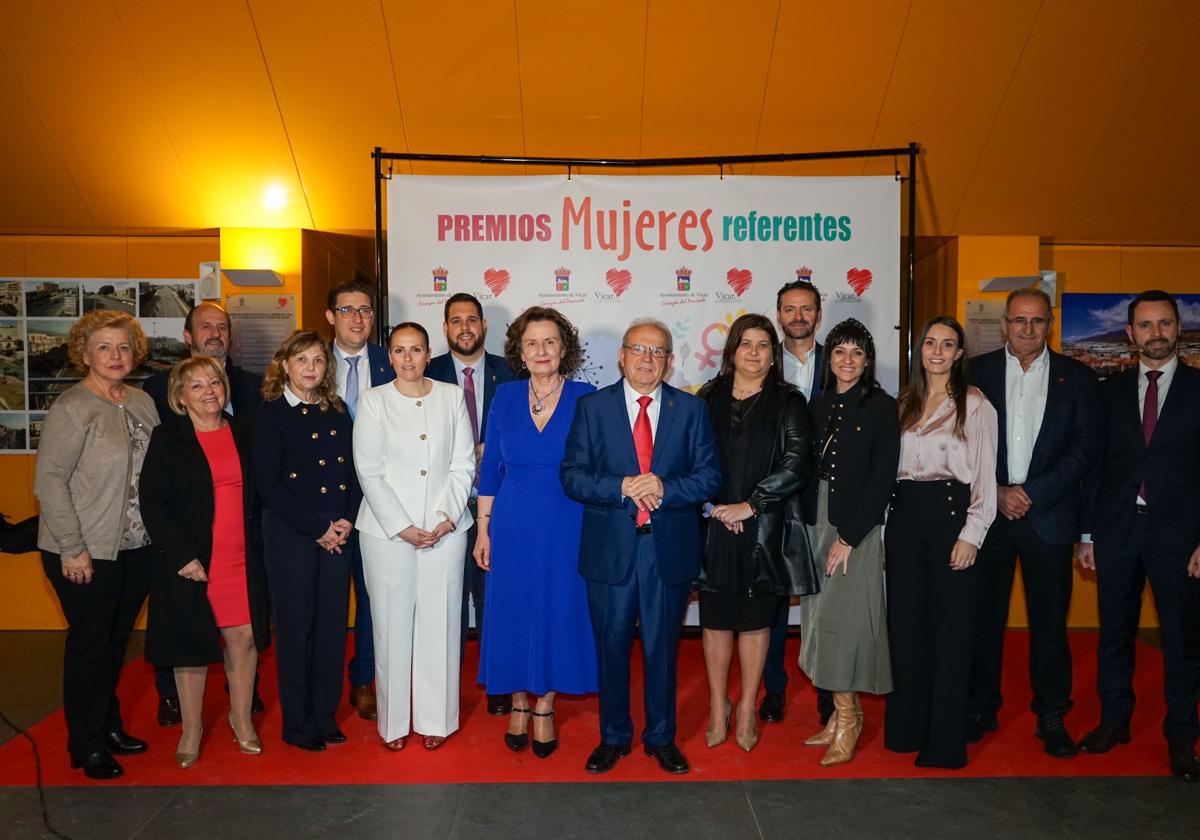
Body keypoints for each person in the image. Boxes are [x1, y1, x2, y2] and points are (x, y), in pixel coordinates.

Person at [561, 318, 721, 775]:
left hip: (666, 549)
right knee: (611, 647)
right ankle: (613, 737)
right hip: (609, 550)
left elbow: (710, 476)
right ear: (622, 355)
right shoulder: (593, 408)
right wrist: (622, 485)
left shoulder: (691, 411)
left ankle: (661, 737)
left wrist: (666, 488)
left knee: (662, 649)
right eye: (638, 349)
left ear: (670, 362)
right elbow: (571, 474)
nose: (647, 359)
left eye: (657, 352)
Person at [967, 289, 1100, 758]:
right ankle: (981, 707)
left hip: (1049, 517)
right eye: (1019, 321)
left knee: (1049, 623)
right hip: (990, 516)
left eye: (1037, 321)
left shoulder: (1078, 378)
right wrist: (998, 491)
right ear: (1004, 324)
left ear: (1051, 324)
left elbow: (1085, 449)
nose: (1027, 329)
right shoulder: (975, 372)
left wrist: (1032, 493)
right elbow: (961, 442)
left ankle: (1051, 713)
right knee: (983, 620)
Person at [1076, 290, 1200, 782]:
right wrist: (1087, 534)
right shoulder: (1109, 392)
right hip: (1117, 533)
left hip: (1182, 539)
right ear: (1130, 334)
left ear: (1179, 328)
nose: (1156, 334)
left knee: (1184, 642)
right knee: (1115, 636)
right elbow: (1097, 468)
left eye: (1165, 323)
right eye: (1145, 325)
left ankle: (1182, 737)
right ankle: (1114, 722)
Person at [33, 310, 159, 779]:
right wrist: (72, 547)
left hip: (136, 547)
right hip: (85, 549)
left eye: (124, 347)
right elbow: (49, 482)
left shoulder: (143, 402)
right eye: (103, 347)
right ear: (84, 353)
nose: (115, 355)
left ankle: (108, 726)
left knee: (113, 644)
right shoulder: (72, 408)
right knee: (89, 646)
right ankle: (84, 745)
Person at [474, 307, 598, 758]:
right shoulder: (504, 397)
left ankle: (545, 704)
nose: (541, 351)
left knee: (559, 609)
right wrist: (483, 530)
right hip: (512, 520)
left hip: (568, 520)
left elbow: (598, 466)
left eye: (550, 342)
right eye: (532, 343)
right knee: (514, 609)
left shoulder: (587, 396)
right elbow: (491, 468)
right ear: (519, 351)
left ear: (563, 349)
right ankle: (519, 702)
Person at [140, 356, 271, 768]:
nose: (208, 391)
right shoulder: (167, 438)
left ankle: (240, 717)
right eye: (196, 386)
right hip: (192, 559)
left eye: (213, 382)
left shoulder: (244, 432)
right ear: (180, 396)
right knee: (191, 646)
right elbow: (153, 503)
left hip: (241, 556)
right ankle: (192, 727)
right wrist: (181, 555)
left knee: (244, 638)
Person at [696, 314, 817, 754]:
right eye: (744, 343)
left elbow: (798, 464)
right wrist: (717, 508)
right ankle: (717, 706)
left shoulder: (789, 401)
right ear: (731, 351)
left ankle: (746, 707)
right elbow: (690, 458)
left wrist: (750, 504)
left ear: (774, 354)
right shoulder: (707, 396)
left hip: (764, 529)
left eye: (763, 344)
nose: (753, 352)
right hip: (713, 526)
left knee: (753, 623)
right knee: (714, 621)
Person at [353, 322, 475, 751]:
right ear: (390, 357)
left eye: (416, 350)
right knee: (390, 625)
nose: (408, 359)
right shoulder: (373, 401)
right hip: (387, 534)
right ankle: (393, 724)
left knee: (440, 624)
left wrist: (445, 517)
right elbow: (367, 469)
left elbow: (463, 465)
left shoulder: (450, 396)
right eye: (400, 351)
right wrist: (401, 526)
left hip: (445, 531)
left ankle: (437, 721)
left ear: (428, 354)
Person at [885, 315, 997, 769]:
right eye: (930, 342)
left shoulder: (975, 404)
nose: (937, 351)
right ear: (919, 349)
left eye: (947, 344)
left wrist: (972, 535)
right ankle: (907, 728)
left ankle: (944, 743)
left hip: (953, 521)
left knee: (949, 635)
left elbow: (985, 480)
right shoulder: (903, 403)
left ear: (959, 354)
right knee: (907, 630)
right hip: (905, 522)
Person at [252, 330, 360, 751]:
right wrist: (317, 529)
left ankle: (325, 716)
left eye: (318, 361)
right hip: (292, 535)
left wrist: (347, 521)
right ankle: (297, 724)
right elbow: (269, 485)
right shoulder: (270, 414)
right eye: (302, 361)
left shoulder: (337, 411)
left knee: (332, 628)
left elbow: (354, 471)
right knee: (297, 631)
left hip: (338, 532)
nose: (311, 369)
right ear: (285, 366)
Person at [798, 318, 899, 766]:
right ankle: (837, 717)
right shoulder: (817, 404)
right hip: (816, 518)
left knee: (845, 623)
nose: (848, 360)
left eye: (857, 353)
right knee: (818, 619)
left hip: (854, 527)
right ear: (829, 357)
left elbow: (883, 480)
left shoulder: (880, 406)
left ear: (868, 359)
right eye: (840, 351)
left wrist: (850, 538)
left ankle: (849, 716)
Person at [427, 292, 518, 718]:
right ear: (445, 328)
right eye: (455, 320)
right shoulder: (426, 373)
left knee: (491, 598)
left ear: (484, 326)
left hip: (495, 505)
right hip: (442, 506)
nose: (465, 327)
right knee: (444, 600)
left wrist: (494, 449)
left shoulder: (510, 374)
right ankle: (444, 684)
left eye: (472, 320)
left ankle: (498, 680)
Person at [324, 282, 395, 722]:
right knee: (329, 602)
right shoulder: (308, 361)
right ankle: (326, 686)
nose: (356, 318)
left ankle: (364, 680)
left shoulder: (393, 363)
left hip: (379, 504)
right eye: (346, 310)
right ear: (331, 316)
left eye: (365, 310)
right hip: (326, 506)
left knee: (373, 601)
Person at [763, 278, 827, 726]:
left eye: (806, 309)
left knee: (825, 601)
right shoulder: (763, 364)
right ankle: (774, 689)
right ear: (778, 314)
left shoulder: (842, 360)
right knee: (773, 602)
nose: (798, 316)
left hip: (827, 497)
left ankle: (829, 689)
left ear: (818, 316)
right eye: (789, 309)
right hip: (779, 495)